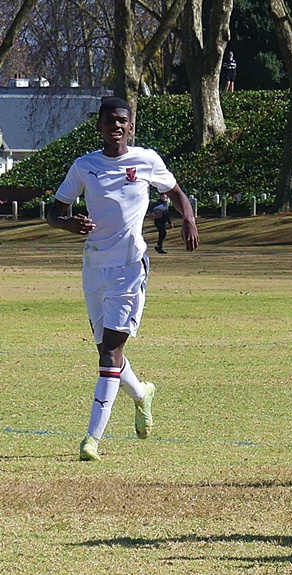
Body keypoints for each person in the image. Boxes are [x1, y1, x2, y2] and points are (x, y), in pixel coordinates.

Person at [46, 97, 200, 461]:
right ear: (99, 126)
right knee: (106, 353)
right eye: (110, 121)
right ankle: (143, 393)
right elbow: (55, 212)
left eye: (122, 121)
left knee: (111, 352)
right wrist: (69, 225)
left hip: (130, 268)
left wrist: (189, 218)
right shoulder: (85, 167)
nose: (116, 127)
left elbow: (175, 192)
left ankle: (91, 439)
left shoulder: (147, 161)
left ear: (130, 127)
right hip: (93, 267)